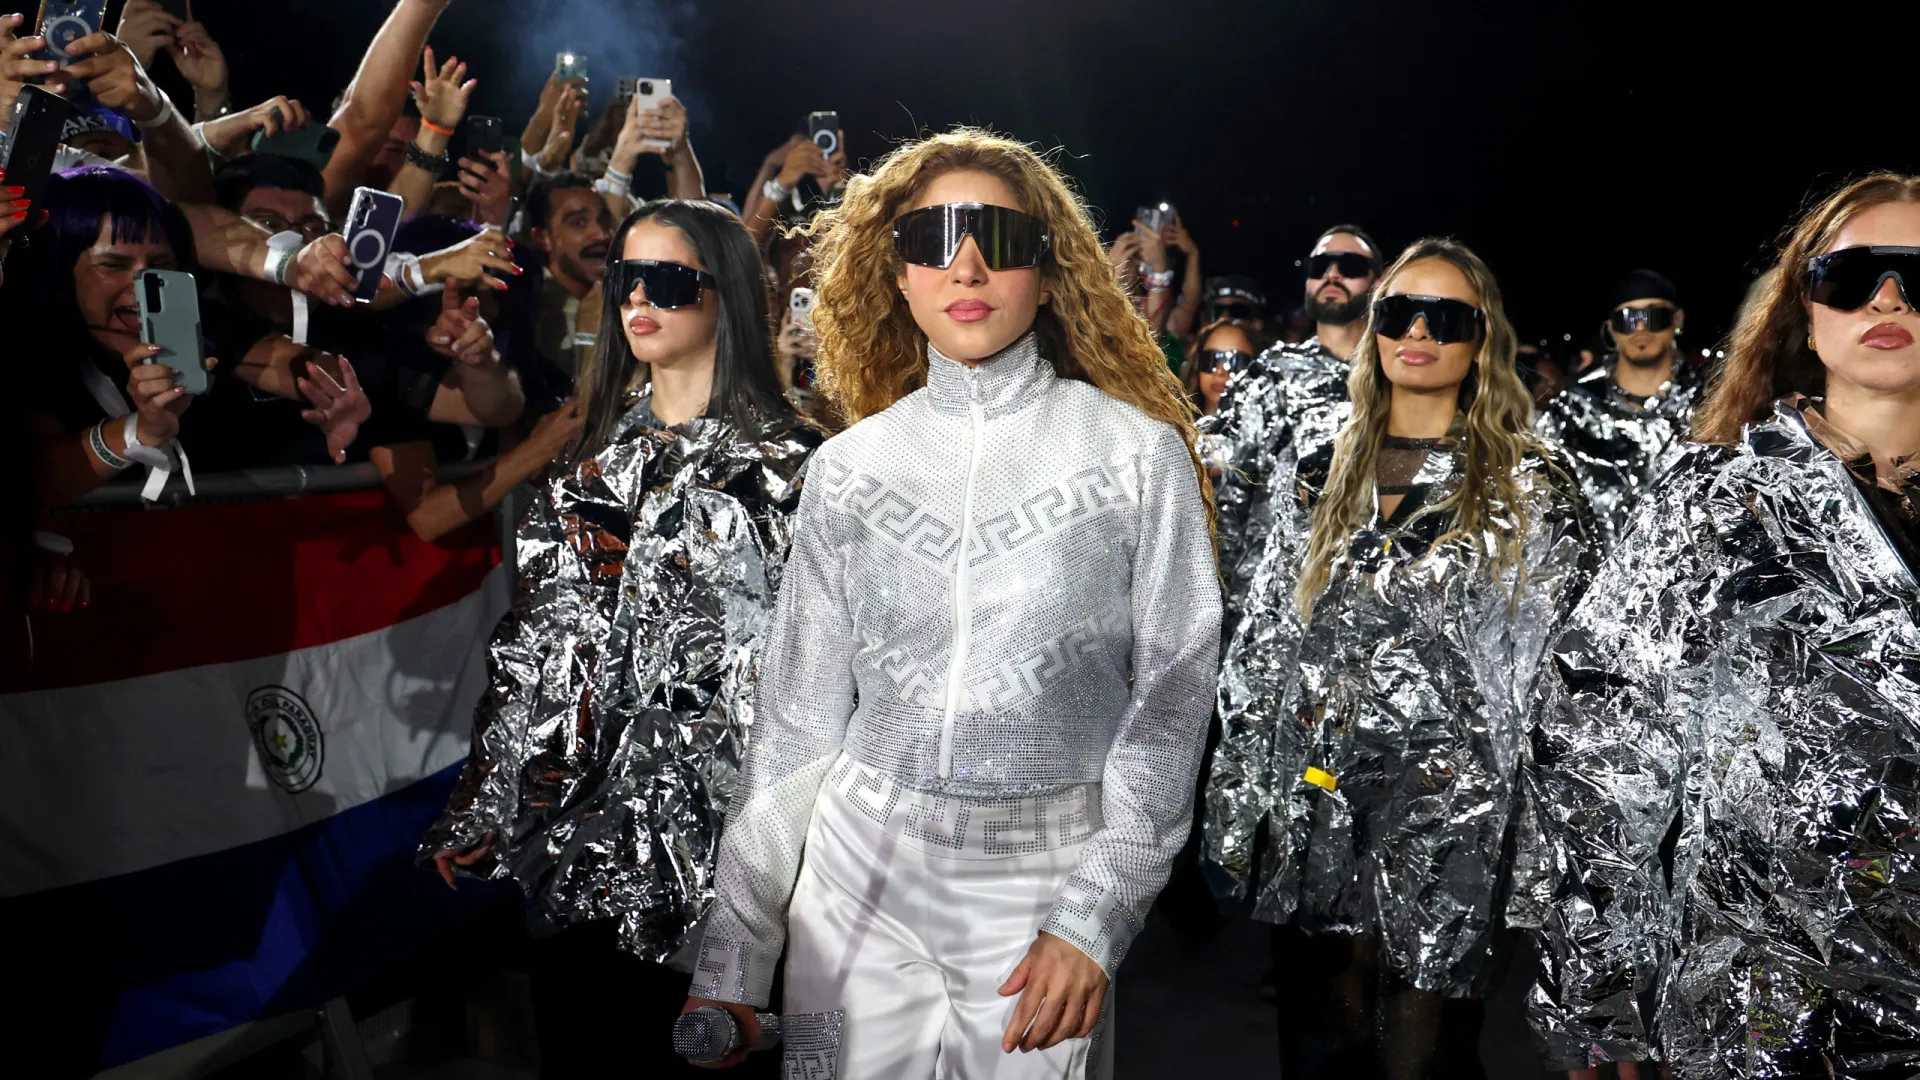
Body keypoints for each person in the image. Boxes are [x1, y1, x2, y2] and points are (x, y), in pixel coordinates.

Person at [685, 128, 1220, 1079]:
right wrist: (735, 949)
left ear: (1049, 273)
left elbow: (1173, 697)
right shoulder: (850, 467)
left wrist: (1096, 915)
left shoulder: (1138, 456)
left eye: (999, 239)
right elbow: (798, 715)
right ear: (897, 274)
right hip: (852, 878)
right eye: (931, 238)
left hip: (1044, 884)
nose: (965, 265)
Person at [1514, 173, 1920, 1080]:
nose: (1889, 298)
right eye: (1853, 275)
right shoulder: (1713, 505)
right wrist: (1600, 991)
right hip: (1771, 1013)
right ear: (1803, 309)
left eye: (1917, 274)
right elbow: (1598, 750)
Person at [421, 199, 817, 1079]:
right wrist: (488, 798)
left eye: (668, 280)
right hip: (582, 851)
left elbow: (819, 689)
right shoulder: (586, 460)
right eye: (626, 278)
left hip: (731, 867)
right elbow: (539, 646)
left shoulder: (797, 469)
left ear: (727, 292)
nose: (639, 298)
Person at [1206, 238, 1594, 1079]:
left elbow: (1568, 684)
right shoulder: (1320, 467)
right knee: (1323, 1044)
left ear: (1481, 339)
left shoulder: (1534, 485)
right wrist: (1239, 804)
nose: (1417, 331)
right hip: (1320, 801)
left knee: (1424, 1055)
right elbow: (1267, 639)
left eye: (1444, 317)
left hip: (1452, 818)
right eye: (1399, 313)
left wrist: (1555, 863)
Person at [1204, 223, 1382, 619]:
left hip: (1365, 608)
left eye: (1349, 266)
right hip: (1268, 606)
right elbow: (1218, 463)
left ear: (1379, 282)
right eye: (1320, 266)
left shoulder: (1398, 379)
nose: (1331, 275)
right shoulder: (1273, 372)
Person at [1533, 269, 1702, 551]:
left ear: (1677, 320)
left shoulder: (1710, 404)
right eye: (1628, 319)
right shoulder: (1574, 410)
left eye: (1654, 317)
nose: (1640, 328)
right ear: (1611, 329)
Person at [525, 173, 614, 380]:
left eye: (603, 220)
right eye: (579, 223)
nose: (602, 234)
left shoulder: (624, 295)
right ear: (543, 238)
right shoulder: (532, 312)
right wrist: (588, 338)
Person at [1184, 317, 1257, 416]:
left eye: (1235, 361)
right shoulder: (1172, 423)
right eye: (1211, 359)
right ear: (1197, 363)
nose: (1220, 372)